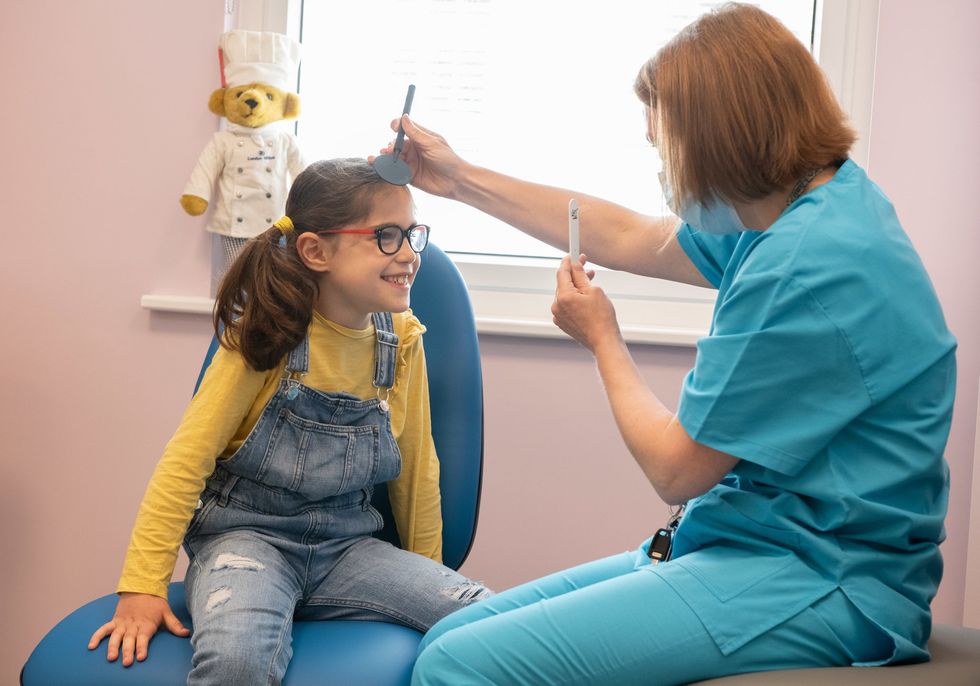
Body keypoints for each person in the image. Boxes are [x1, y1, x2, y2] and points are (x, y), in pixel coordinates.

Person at [376, 4, 956, 685]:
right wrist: (460, 178)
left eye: (662, 148)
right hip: (758, 542)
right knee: (453, 634)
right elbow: (626, 236)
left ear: (718, 143)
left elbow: (677, 471)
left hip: (829, 578)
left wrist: (604, 339)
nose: (662, 168)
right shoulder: (805, 202)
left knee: (453, 667)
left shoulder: (807, 268)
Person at [88, 158, 490, 685]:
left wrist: (428, 579)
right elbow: (186, 460)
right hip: (245, 541)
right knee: (238, 663)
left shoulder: (402, 340)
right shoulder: (265, 332)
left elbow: (416, 468)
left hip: (348, 547)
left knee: (489, 622)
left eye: (414, 234)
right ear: (315, 250)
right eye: (386, 236)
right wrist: (142, 585)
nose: (411, 254)